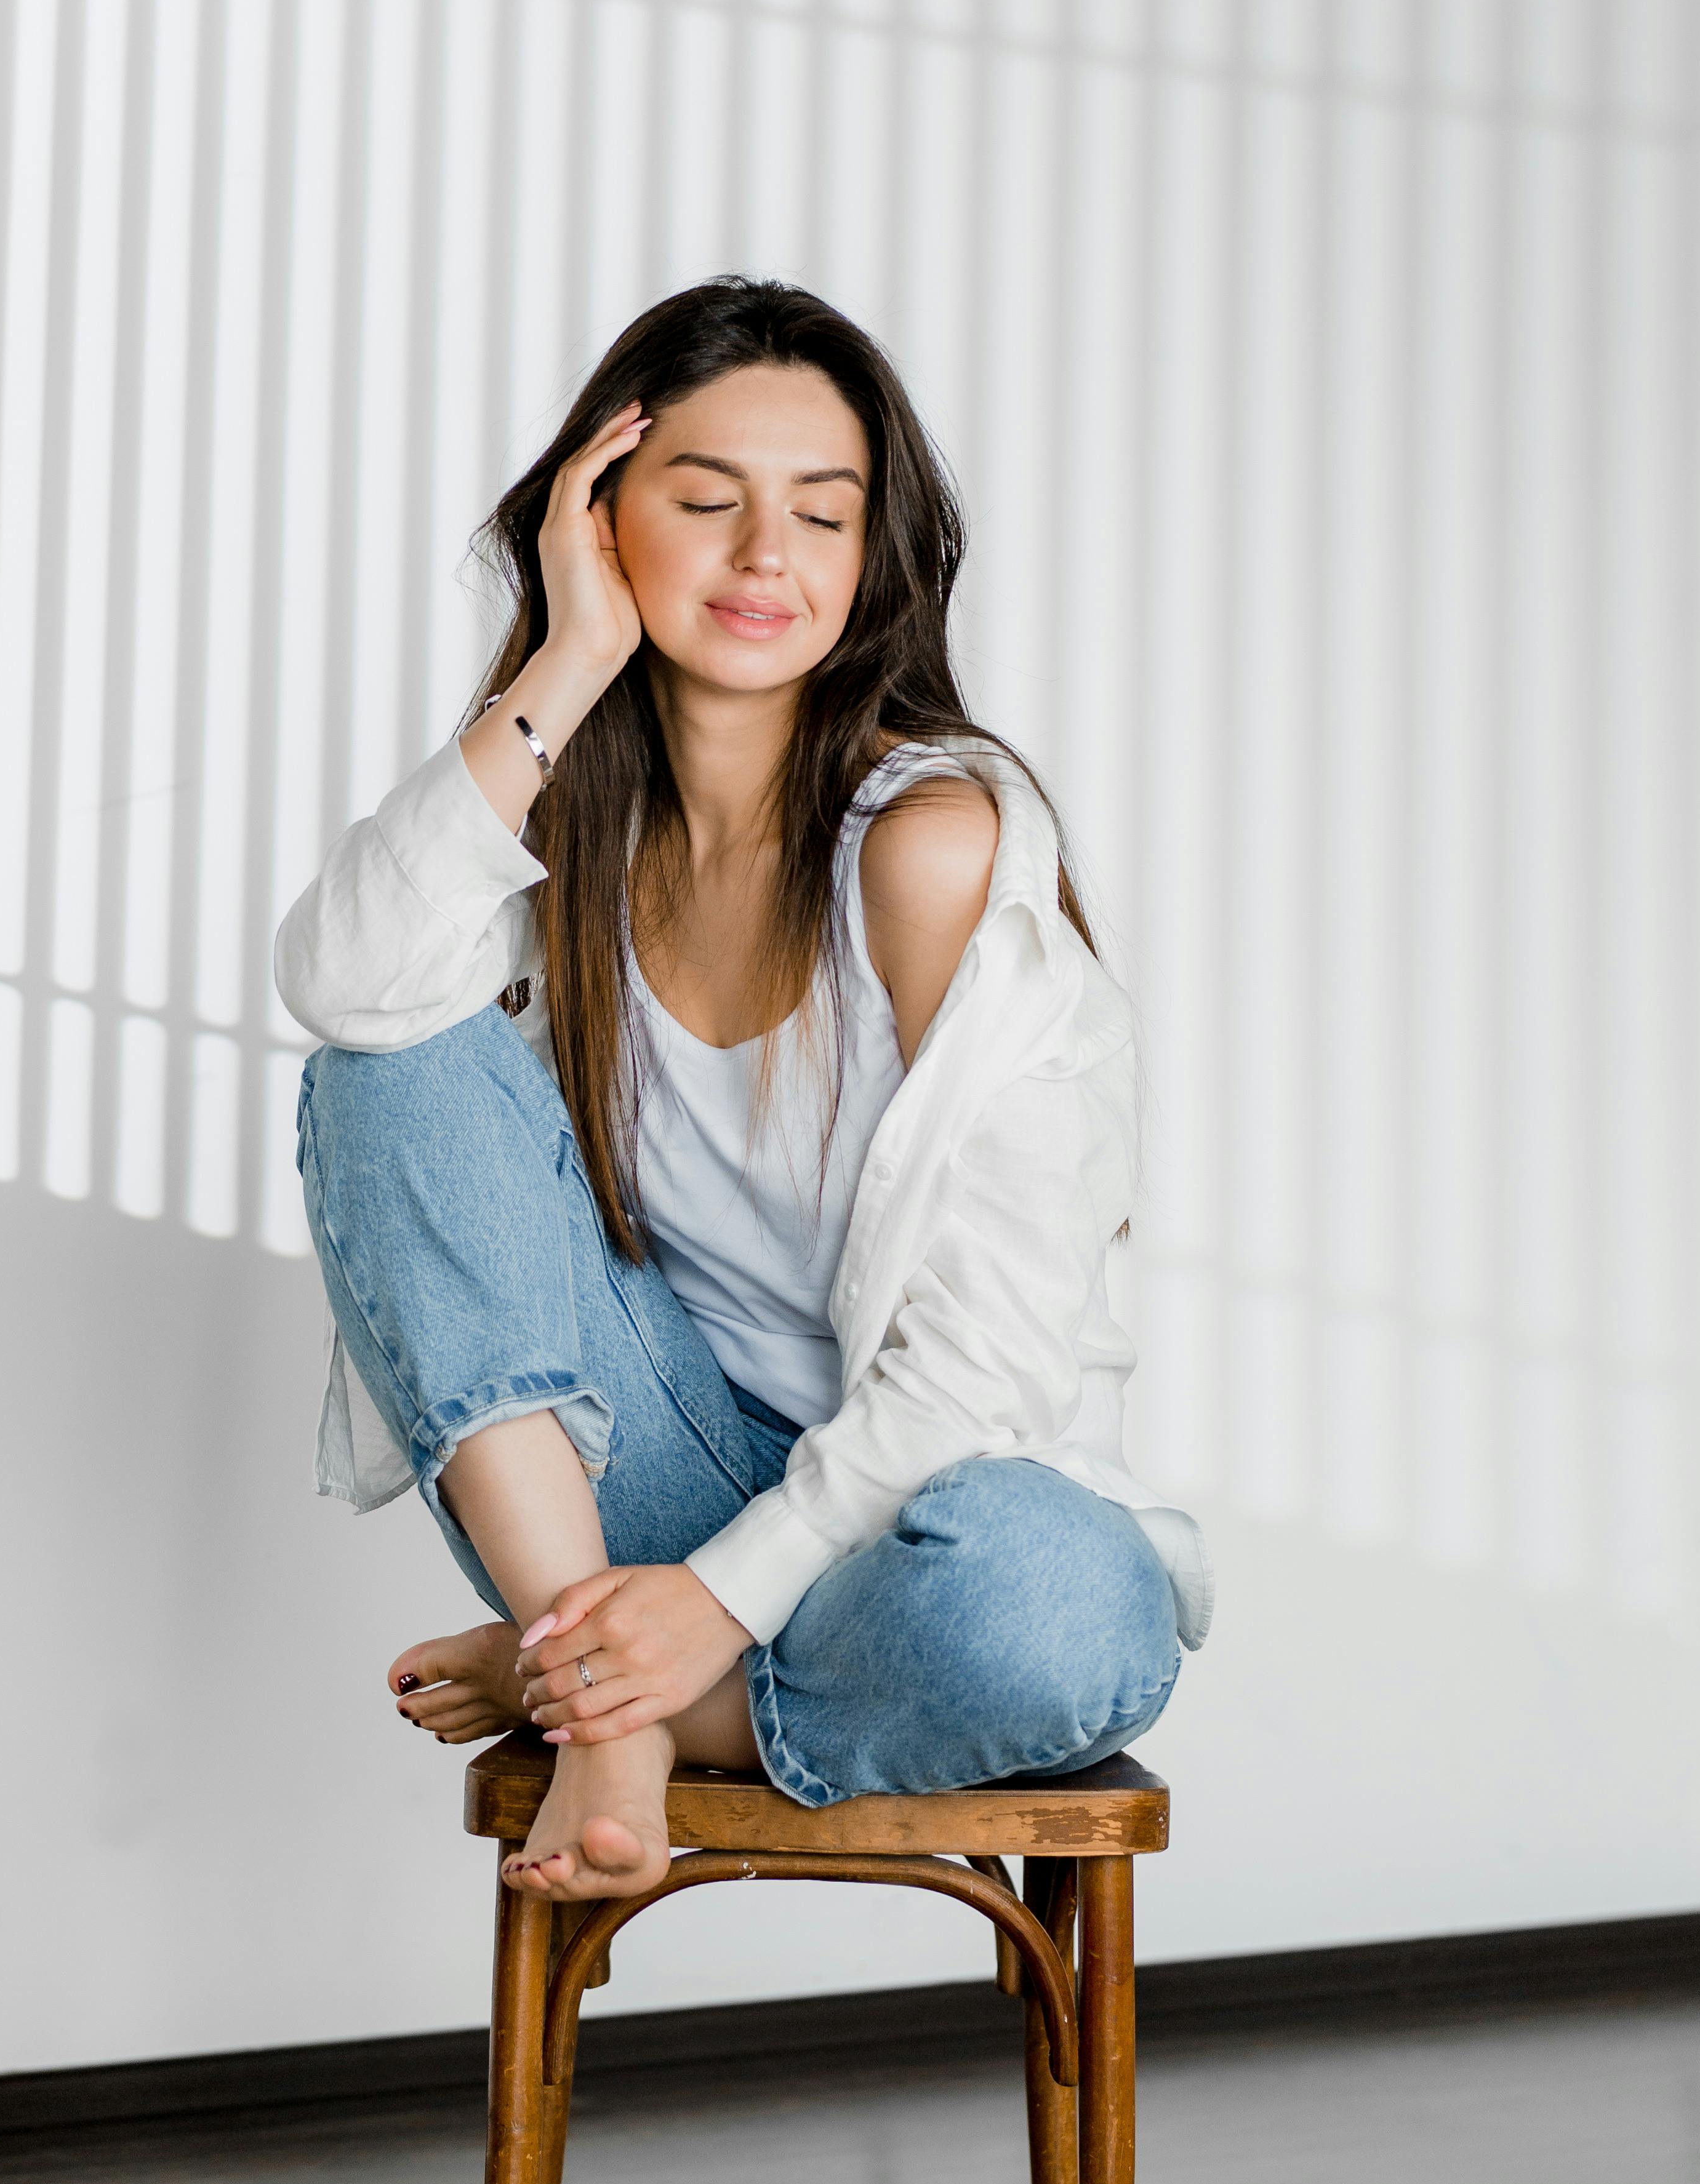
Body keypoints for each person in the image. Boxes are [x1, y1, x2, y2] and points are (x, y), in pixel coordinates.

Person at [276, 276, 1211, 1906]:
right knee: (390, 1057)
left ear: (872, 557)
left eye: (822, 514)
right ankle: (608, 1673)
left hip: (914, 1514)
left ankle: (594, 1691)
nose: (767, 555)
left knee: (1065, 1610)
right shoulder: (563, 831)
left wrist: (711, 1607)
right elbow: (349, 987)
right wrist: (571, 655)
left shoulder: (929, 848)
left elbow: (990, 1363)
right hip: (636, 1483)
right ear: (600, 519)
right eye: (707, 500)